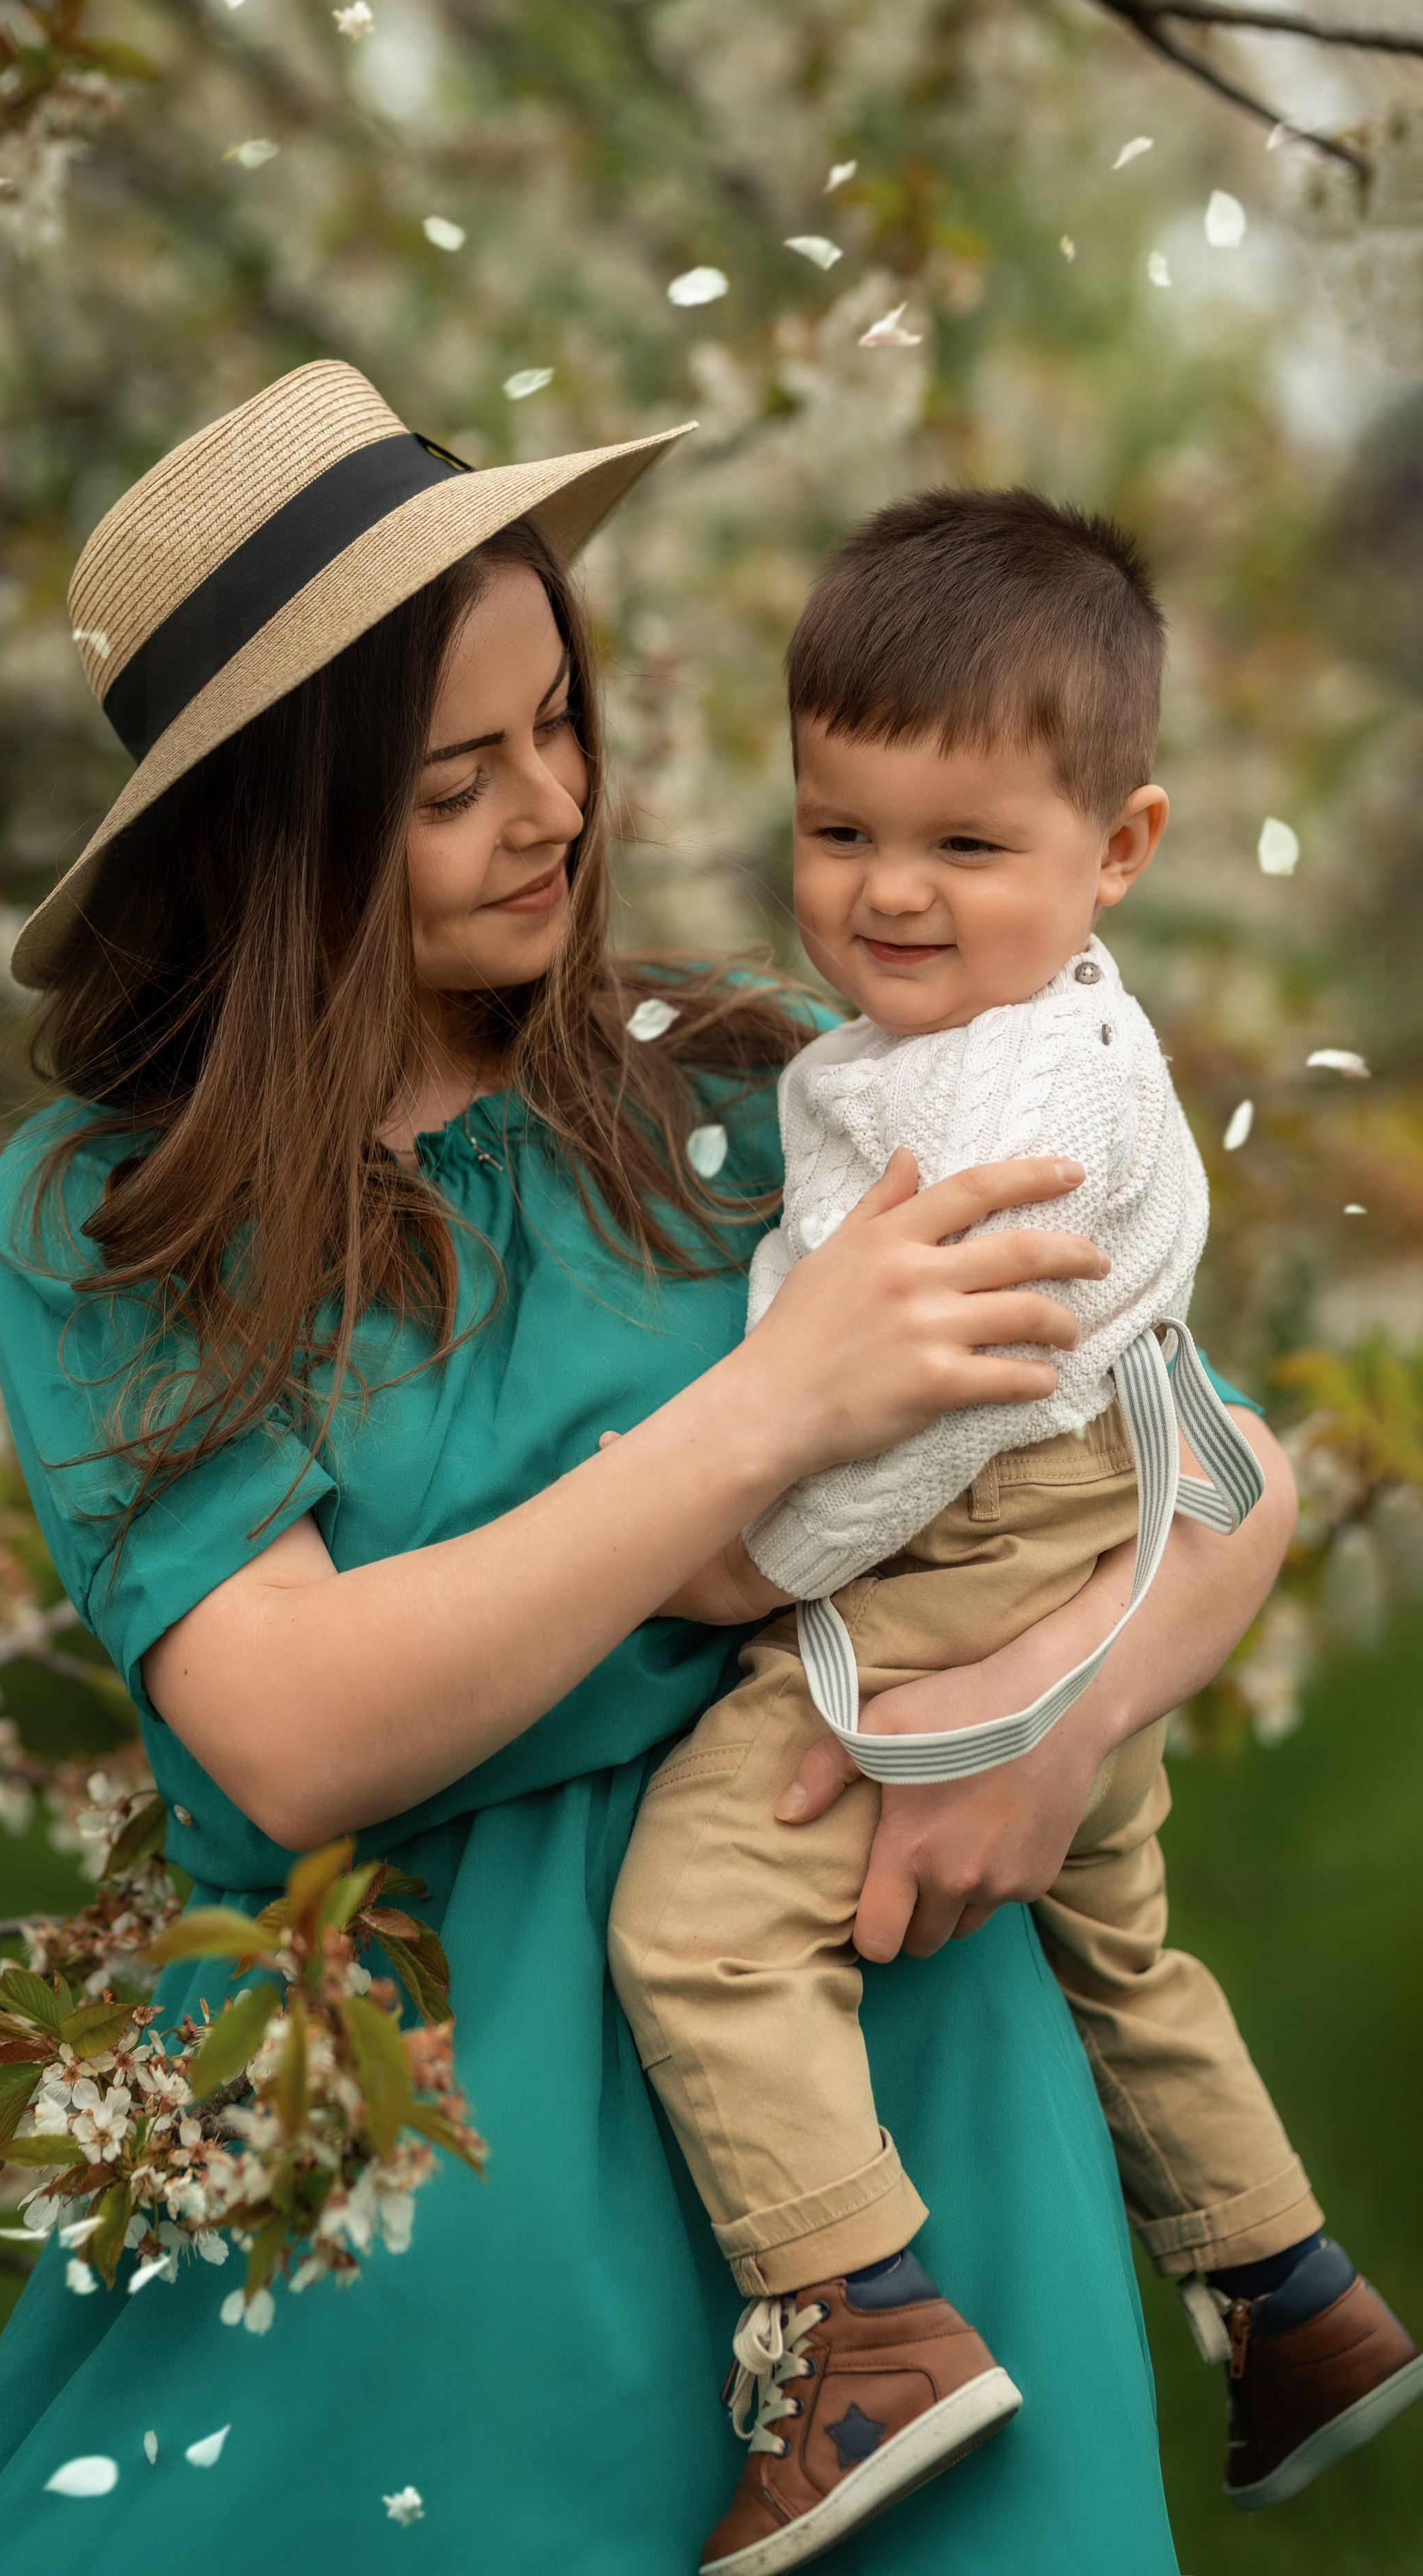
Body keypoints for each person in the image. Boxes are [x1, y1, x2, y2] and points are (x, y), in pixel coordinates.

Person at [0, 363, 1296, 2576]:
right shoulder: (119, 1215)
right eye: (458, 777)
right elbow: (296, 1726)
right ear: (273, 829)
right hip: (435, 2145)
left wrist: (1058, 1732)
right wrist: (768, 1412)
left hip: (884, 2089)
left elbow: (1218, 1469)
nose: (551, 806)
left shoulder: (753, 1080)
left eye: (563, 723)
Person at [609, 490, 1423, 2575]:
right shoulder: (1014, 1033)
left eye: (963, 848)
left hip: (970, 1525)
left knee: (700, 1920)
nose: (887, 894)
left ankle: (858, 2323)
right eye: (840, 829)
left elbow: (893, 1431)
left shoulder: (989, 1114)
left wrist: (743, 1569)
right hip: (1096, 1501)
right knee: (1116, 1945)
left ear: (1118, 851)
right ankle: (1291, 2295)